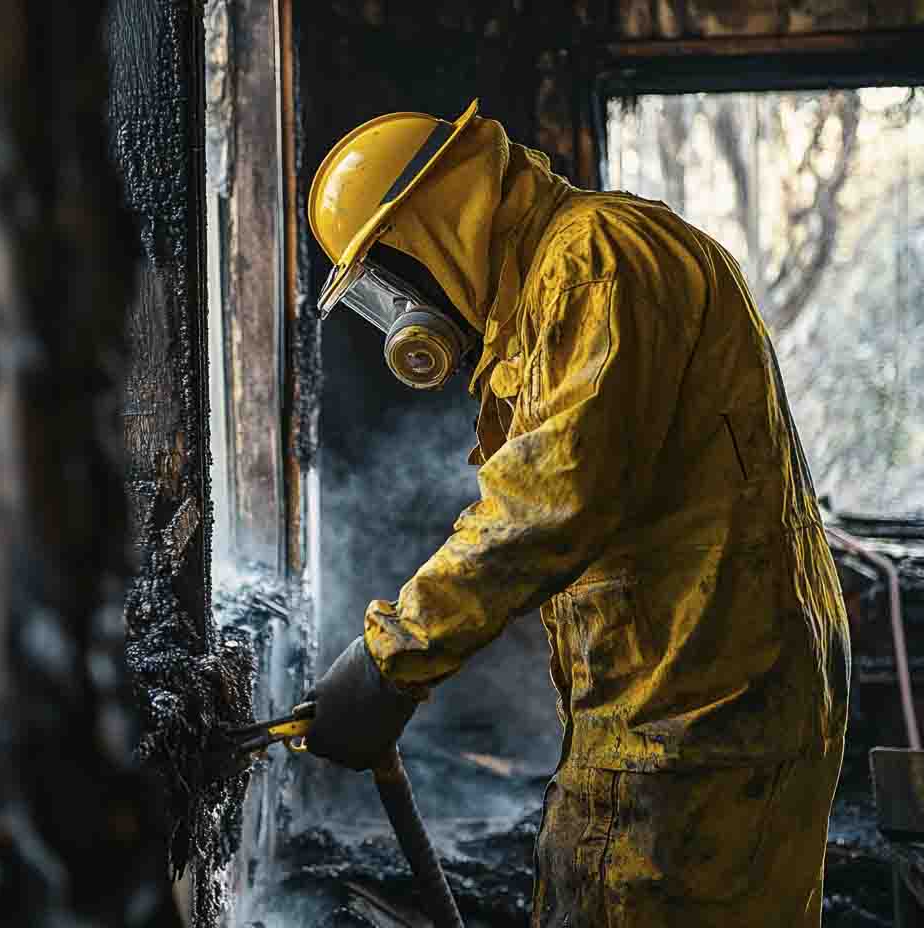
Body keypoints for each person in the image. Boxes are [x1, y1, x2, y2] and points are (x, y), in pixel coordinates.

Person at [303, 100, 851, 927]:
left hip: (692, 709)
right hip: (709, 686)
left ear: (432, 229)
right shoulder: (572, 269)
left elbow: (549, 500)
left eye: (385, 280)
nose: (399, 312)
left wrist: (393, 657)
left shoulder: (594, 262)